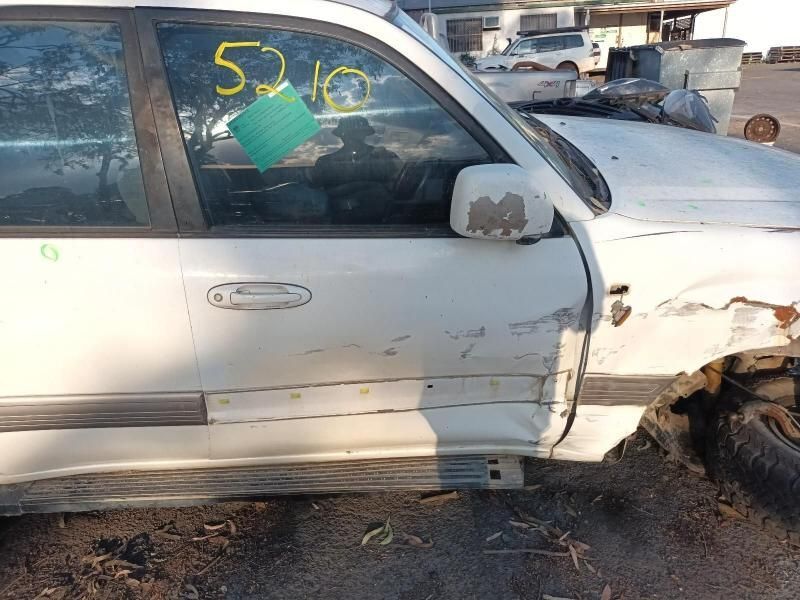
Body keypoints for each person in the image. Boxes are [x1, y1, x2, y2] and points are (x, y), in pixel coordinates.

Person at [312, 116, 401, 224]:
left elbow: (399, 189)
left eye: (357, 133)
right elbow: (317, 197)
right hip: (338, 225)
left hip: (382, 223)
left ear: (365, 134)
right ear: (341, 135)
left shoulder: (385, 157)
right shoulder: (325, 162)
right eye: (349, 133)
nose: (352, 137)